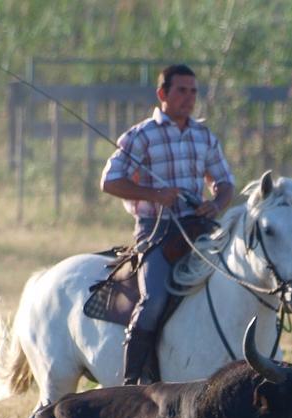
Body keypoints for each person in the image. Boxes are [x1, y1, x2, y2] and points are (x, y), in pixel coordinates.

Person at [100, 64, 236, 385]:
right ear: (163, 94)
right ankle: (132, 381)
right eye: (181, 91)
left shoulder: (204, 136)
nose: (189, 98)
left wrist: (215, 203)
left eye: (193, 92)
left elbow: (225, 182)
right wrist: (154, 194)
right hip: (156, 231)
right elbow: (110, 181)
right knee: (155, 299)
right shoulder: (140, 136)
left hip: (199, 228)